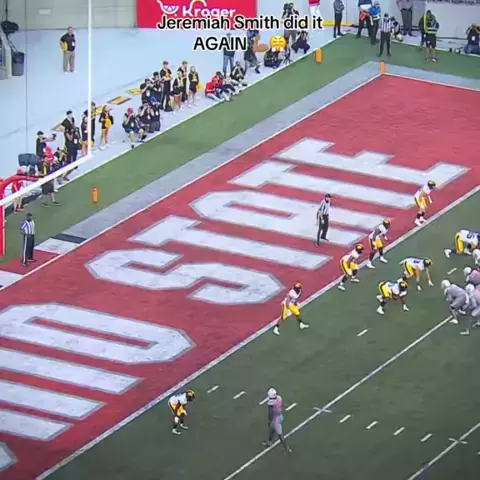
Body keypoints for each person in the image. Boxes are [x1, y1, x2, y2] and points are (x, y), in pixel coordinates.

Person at [262, 388, 292, 453]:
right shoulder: (279, 398)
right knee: (272, 429)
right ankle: (269, 442)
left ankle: (287, 448)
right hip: (280, 415)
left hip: (276, 419)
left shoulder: (271, 403)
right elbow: (282, 405)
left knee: (280, 434)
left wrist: (270, 421)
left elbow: (270, 413)